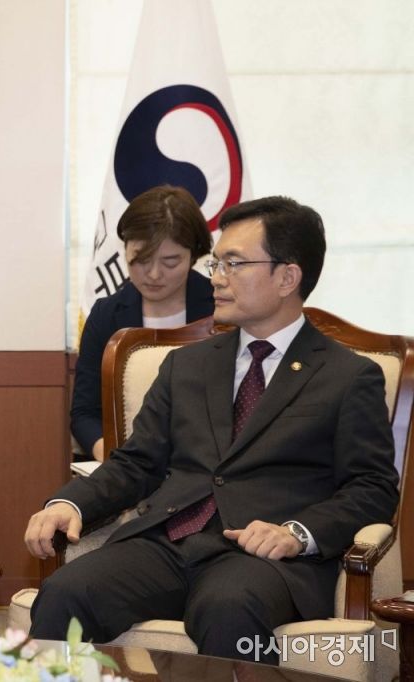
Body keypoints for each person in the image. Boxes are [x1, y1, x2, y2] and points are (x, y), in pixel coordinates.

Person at [25, 196, 398, 664]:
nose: (217, 277)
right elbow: (136, 462)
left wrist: (297, 533)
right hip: (168, 542)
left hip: (262, 558)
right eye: (216, 263)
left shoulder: (348, 376)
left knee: (228, 610)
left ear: (287, 277)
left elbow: (372, 487)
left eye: (233, 264)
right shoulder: (186, 365)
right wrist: (70, 503)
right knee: (66, 592)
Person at [72, 185, 214, 461]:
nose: (154, 274)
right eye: (140, 260)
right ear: (125, 249)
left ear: (194, 255)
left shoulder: (221, 308)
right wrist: (114, 459)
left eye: (170, 262)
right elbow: (84, 413)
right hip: (127, 462)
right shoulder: (106, 315)